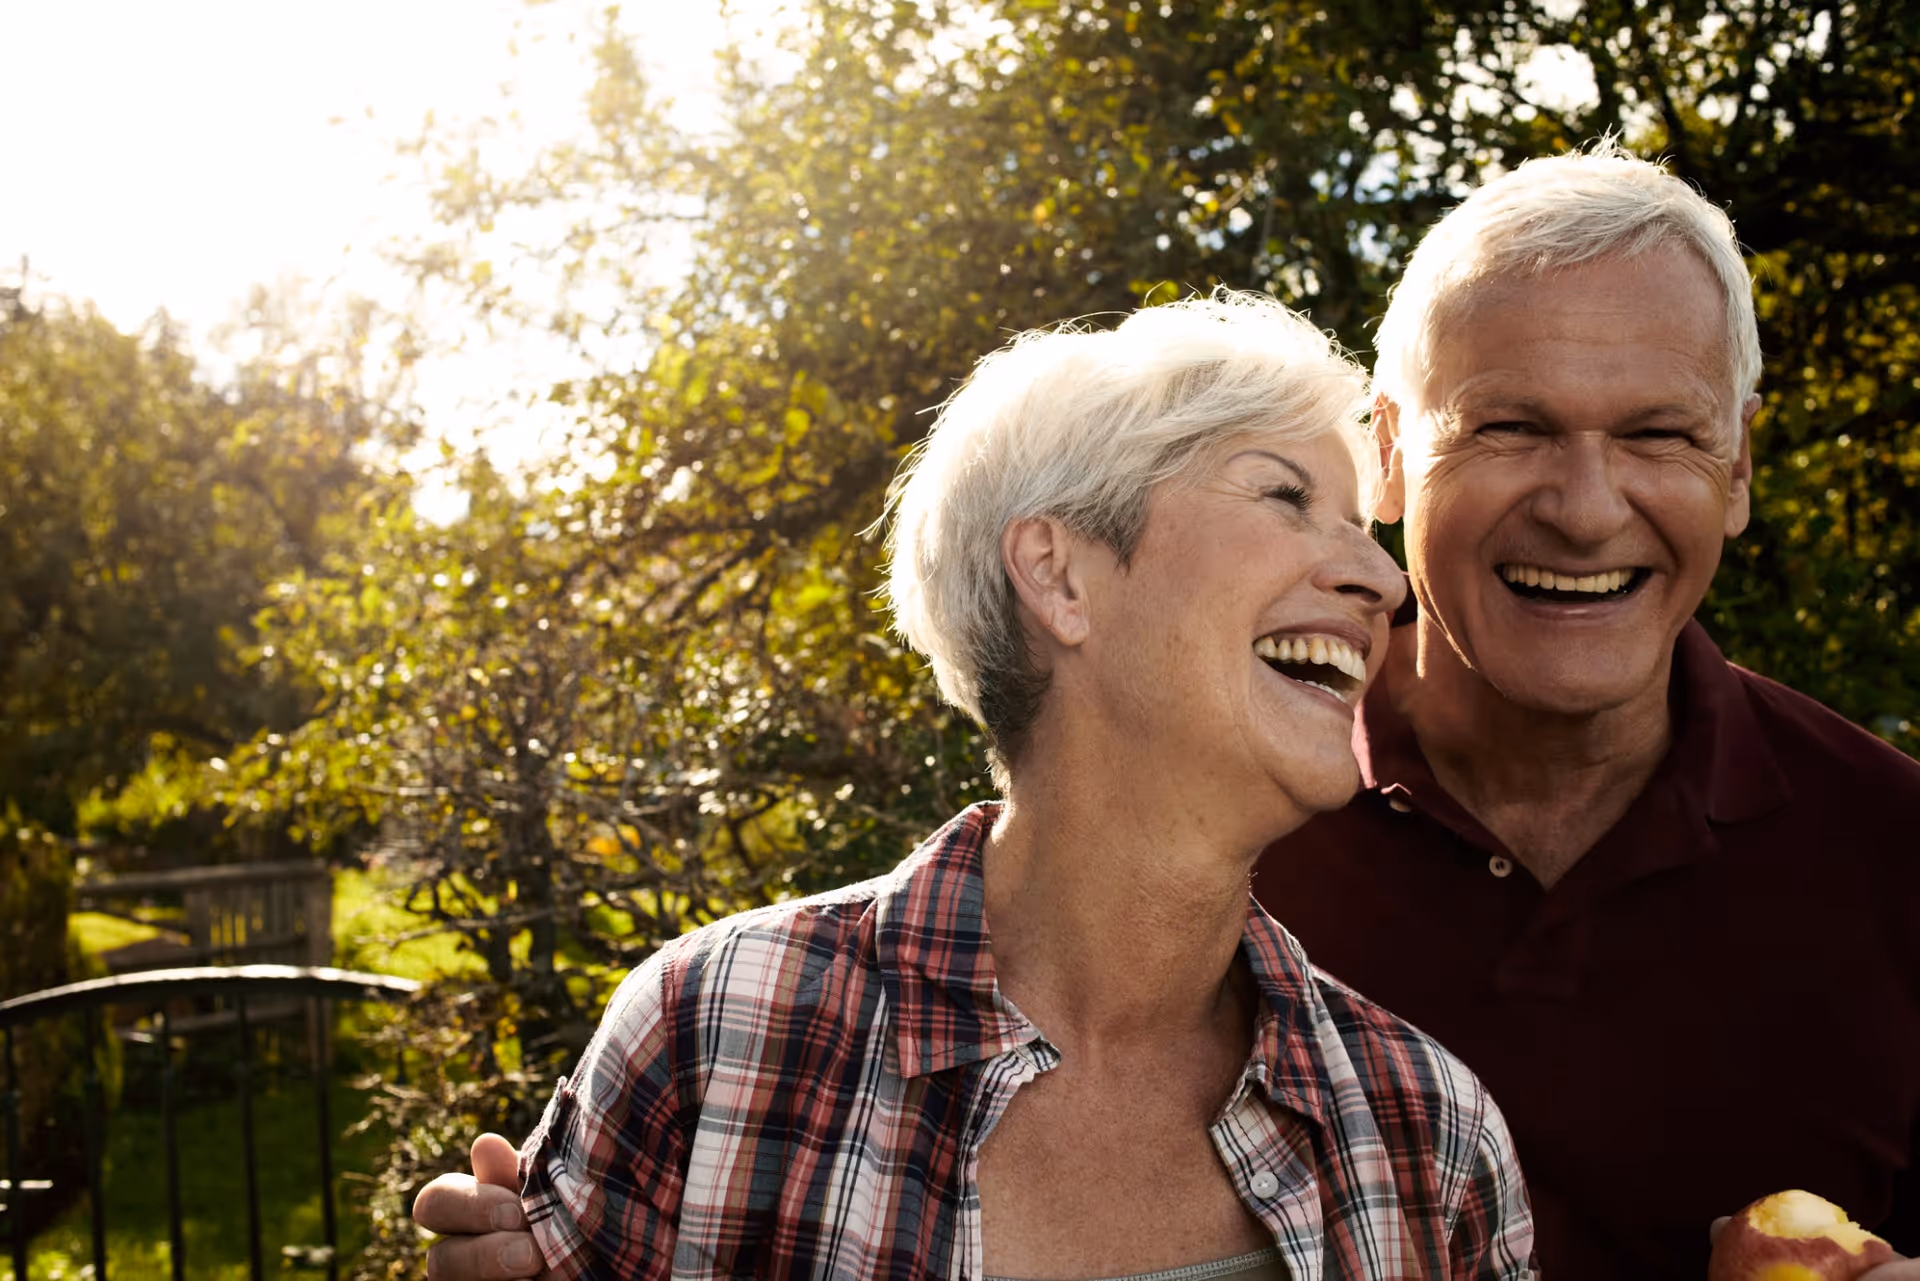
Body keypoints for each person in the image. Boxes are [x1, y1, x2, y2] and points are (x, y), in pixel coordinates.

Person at [415, 293, 1538, 1279]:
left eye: (1360, 530)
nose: (1383, 579)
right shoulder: (721, 1036)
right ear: (1060, 575)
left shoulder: (1428, 1135)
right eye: (1285, 497)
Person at [1248, 142, 1920, 1281]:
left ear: (1741, 465)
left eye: (1659, 435)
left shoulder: (1900, 856)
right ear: (1392, 457)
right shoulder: (1215, 817)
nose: (1587, 510)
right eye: (1511, 428)